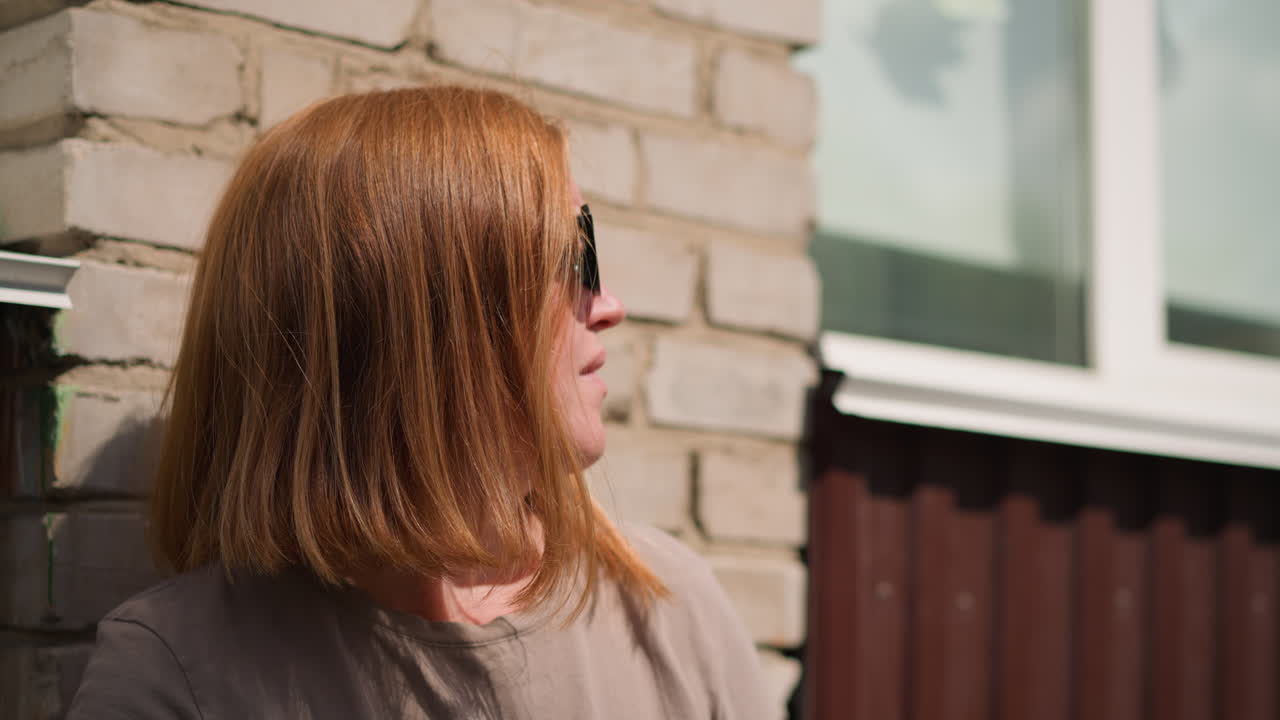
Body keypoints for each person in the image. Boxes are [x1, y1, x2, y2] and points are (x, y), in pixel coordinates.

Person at [66, 86, 770, 719]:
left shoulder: (667, 608)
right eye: (568, 261)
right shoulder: (180, 675)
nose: (608, 306)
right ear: (425, 333)